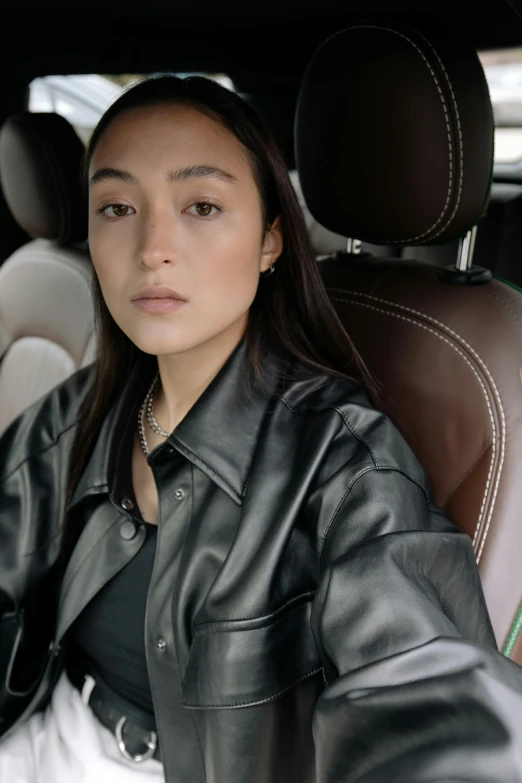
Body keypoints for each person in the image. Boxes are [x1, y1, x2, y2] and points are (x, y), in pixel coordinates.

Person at [0, 74, 522, 783]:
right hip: (48, 733)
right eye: (117, 206)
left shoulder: (343, 463)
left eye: (203, 205)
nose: (153, 246)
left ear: (271, 239)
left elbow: (426, 694)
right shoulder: (83, 408)